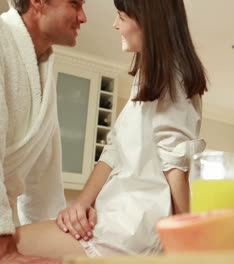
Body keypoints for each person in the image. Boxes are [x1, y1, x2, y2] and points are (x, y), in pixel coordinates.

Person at [12, 0, 207, 259]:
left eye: (122, 16)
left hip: (132, 226)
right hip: (115, 216)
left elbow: (175, 167)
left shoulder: (174, 77)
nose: (115, 25)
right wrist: (80, 204)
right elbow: (113, 151)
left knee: (10, 246)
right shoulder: (148, 78)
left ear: (147, 22)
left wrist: (187, 247)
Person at [0, 0, 87, 263]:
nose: (83, 17)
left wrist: (57, 229)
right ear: (38, 2)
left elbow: (44, 175)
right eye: (75, 4)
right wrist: (4, 250)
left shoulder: (43, 67)